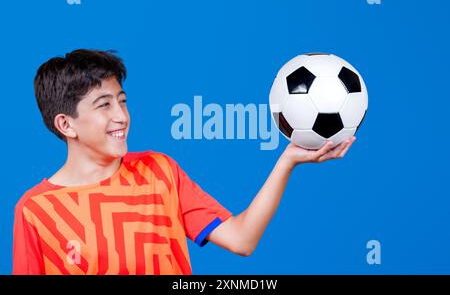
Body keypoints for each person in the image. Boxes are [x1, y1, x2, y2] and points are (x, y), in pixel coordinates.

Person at [12, 49, 356, 275]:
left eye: (122, 101)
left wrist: (288, 161)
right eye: (104, 105)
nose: (122, 116)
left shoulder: (159, 171)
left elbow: (242, 239)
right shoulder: (36, 210)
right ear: (65, 124)